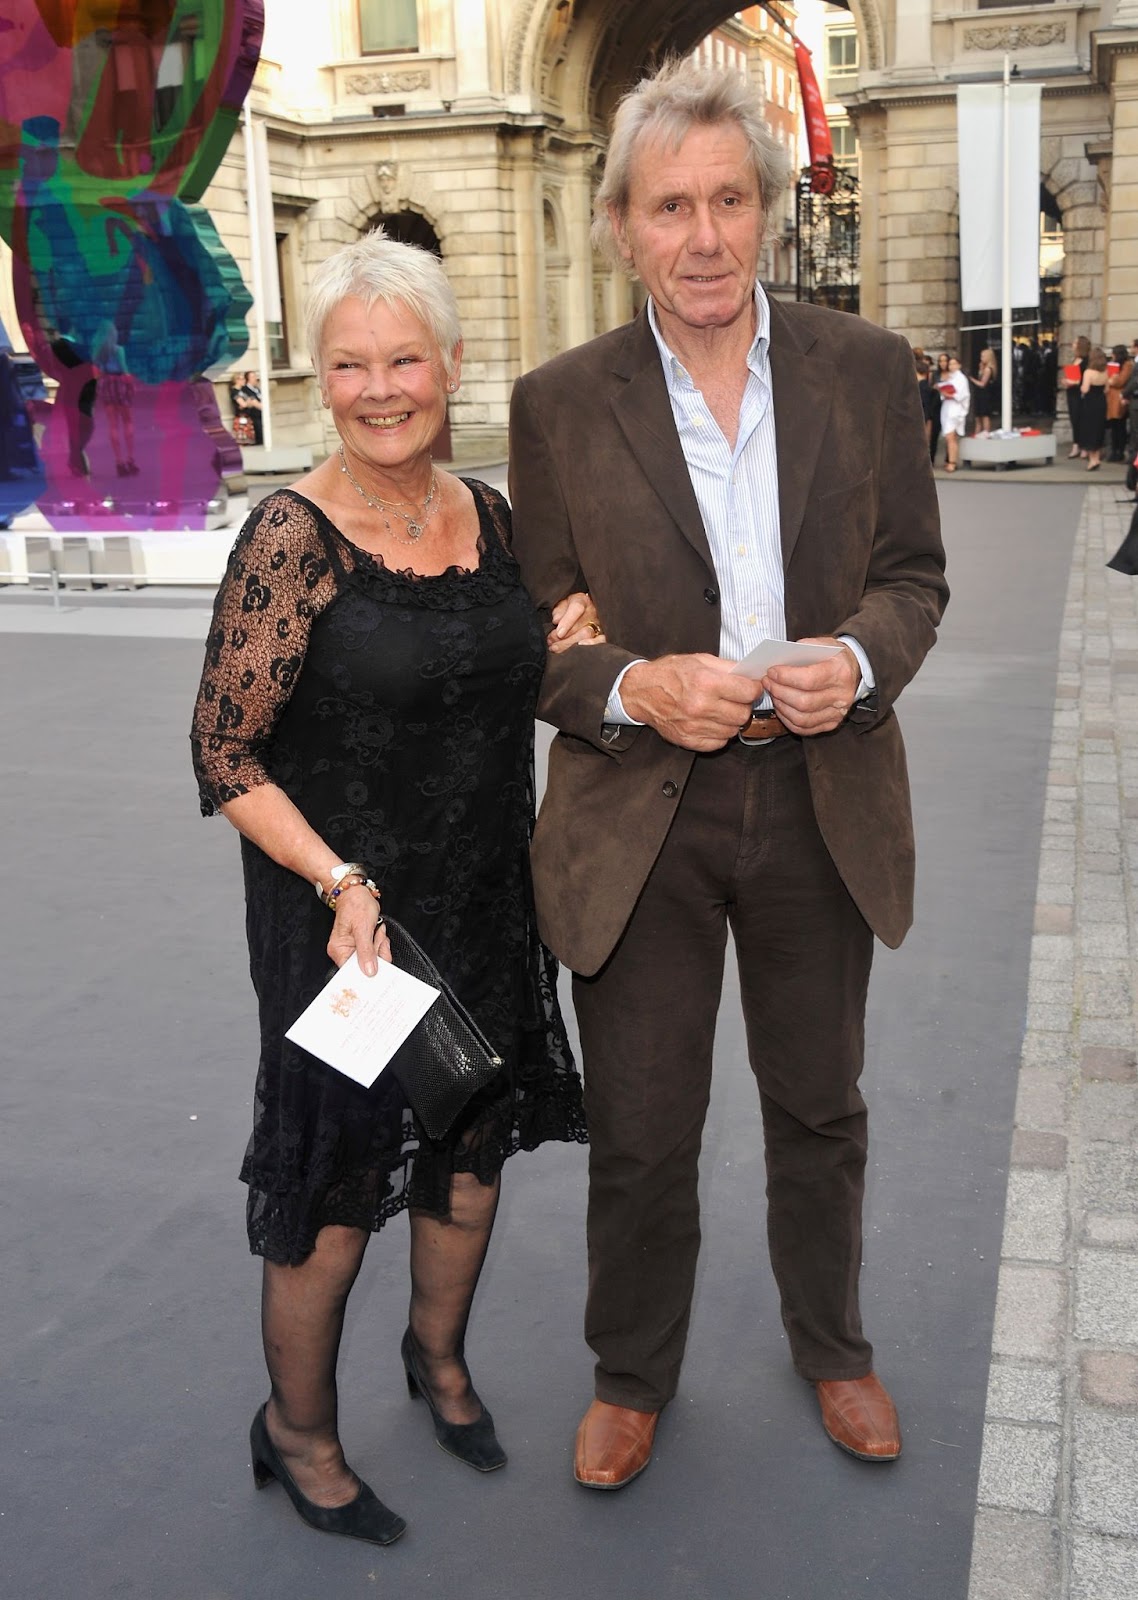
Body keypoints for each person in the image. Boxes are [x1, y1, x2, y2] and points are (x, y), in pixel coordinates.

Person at [509, 58, 948, 1491]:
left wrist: (860, 661)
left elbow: (910, 580)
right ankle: (630, 1375)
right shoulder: (559, 403)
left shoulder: (870, 373)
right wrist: (631, 682)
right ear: (620, 227)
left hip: (819, 797)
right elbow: (537, 635)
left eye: (726, 200)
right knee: (642, 1125)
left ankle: (834, 1348)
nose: (700, 236)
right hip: (643, 810)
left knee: (819, 1107)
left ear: (764, 206)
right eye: (666, 208)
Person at [190, 230, 598, 1546]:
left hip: (484, 893)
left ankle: (438, 1364)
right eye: (349, 364)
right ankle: (297, 1435)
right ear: (321, 377)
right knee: (335, 1197)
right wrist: (338, 877)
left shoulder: (489, 516)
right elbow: (224, 749)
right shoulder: (289, 536)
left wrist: (573, 640)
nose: (378, 388)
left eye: (402, 358)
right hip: (347, 926)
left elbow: (510, 674)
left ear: (451, 366)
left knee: (470, 1152)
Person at [1078, 346, 1109, 471]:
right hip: (1101, 402)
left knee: (1089, 430)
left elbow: (1085, 389)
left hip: (1090, 403)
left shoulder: (1088, 372)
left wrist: (1081, 388)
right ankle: (1096, 457)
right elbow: (1107, 389)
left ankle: (1092, 460)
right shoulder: (1106, 372)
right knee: (1098, 429)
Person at [938, 354, 970, 471]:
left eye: (954, 364)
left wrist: (950, 394)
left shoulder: (961, 379)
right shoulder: (950, 377)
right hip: (947, 407)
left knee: (951, 436)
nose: (951, 366)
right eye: (950, 364)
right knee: (948, 436)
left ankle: (952, 462)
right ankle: (950, 460)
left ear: (959, 365)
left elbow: (962, 395)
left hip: (955, 409)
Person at [1063, 336, 1090, 459]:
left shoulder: (1086, 361)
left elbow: (1085, 379)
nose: (1073, 345)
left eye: (1075, 343)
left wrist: (1073, 382)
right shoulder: (1075, 360)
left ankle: (1083, 446)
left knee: (1082, 420)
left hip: (1080, 394)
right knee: (1074, 420)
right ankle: (1076, 445)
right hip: (1072, 393)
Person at [1106, 343, 1132, 461]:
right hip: (1111, 398)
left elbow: (1120, 381)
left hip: (1119, 398)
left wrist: (1112, 381)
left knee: (1120, 426)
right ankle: (1114, 450)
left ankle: (1119, 451)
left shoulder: (1127, 365)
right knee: (1114, 426)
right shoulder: (1113, 365)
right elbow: (1108, 378)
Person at [969, 346, 997, 436]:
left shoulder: (988, 369)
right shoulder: (983, 368)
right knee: (978, 416)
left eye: (983, 356)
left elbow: (982, 383)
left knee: (984, 415)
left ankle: (986, 432)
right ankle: (977, 433)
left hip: (984, 394)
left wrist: (972, 379)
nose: (981, 358)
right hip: (979, 394)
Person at [231, 369, 264, 444]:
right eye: (242, 379)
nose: (244, 381)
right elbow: (243, 404)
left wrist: (249, 402)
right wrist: (249, 401)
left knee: (250, 439)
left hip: (247, 416)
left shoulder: (242, 391)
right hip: (242, 417)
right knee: (244, 441)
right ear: (237, 380)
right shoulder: (235, 391)